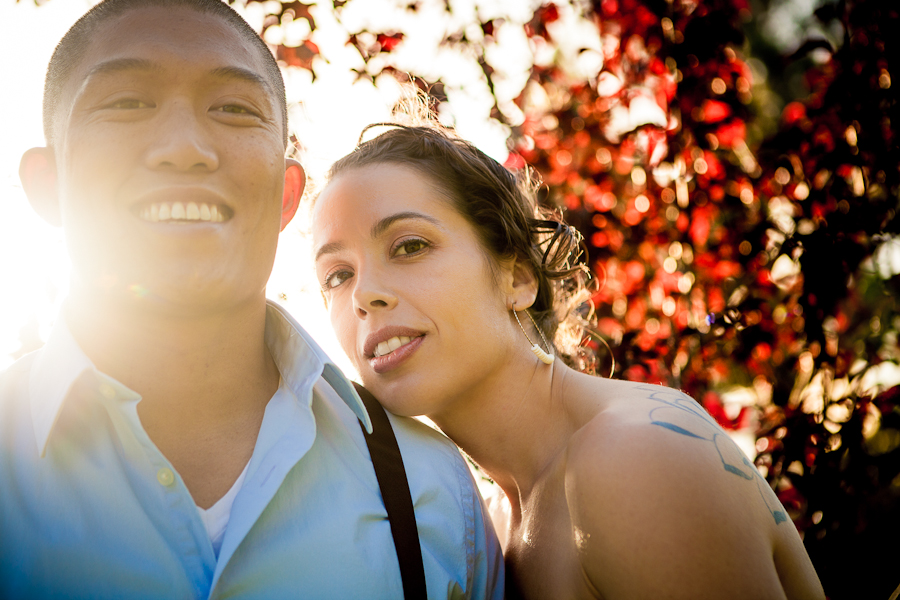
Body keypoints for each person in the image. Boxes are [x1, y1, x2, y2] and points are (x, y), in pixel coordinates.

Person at [0, 2, 503, 598]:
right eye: (127, 102)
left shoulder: (432, 488)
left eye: (234, 109)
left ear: (288, 195)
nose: (185, 147)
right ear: (47, 186)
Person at [310, 117, 827, 599]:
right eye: (337, 275)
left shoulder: (634, 457)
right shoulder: (479, 529)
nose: (363, 294)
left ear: (516, 277)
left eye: (409, 246)